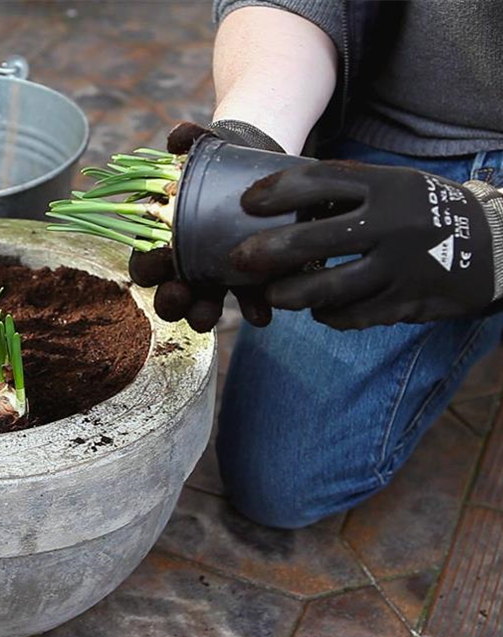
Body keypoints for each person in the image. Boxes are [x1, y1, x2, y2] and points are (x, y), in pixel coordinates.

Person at [132, 1, 503, 528]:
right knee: (280, 476)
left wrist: (489, 244)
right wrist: (257, 139)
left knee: (289, 483)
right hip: (372, 108)